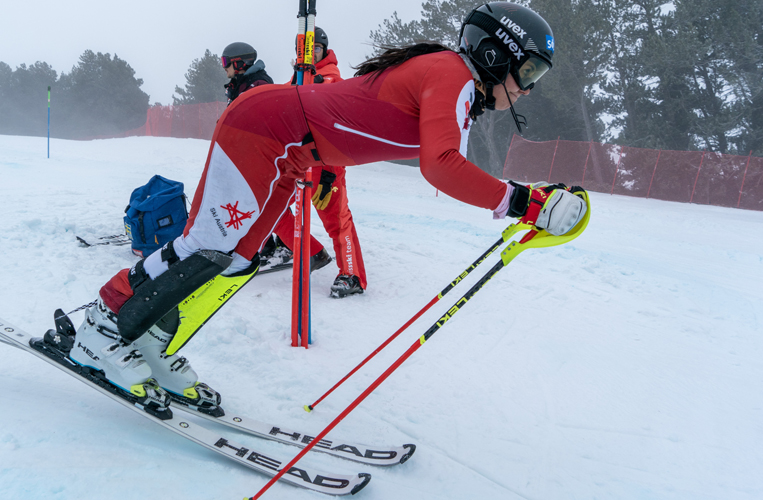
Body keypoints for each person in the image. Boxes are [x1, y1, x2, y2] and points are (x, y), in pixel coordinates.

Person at [40, 2, 587, 414]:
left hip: (294, 150)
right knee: (204, 244)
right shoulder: (453, 73)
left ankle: (149, 337)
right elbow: (441, 166)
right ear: (495, 55)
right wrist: (525, 202)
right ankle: (102, 325)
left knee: (236, 257)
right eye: (530, 73)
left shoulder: (453, 80)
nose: (529, 89)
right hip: (267, 128)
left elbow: (439, 157)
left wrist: (531, 196)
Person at [271, 26, 368, 298]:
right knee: (273, 207)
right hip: (299, 163)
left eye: (315, 49)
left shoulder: (330, 77)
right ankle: (311, 252)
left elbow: (327, 107)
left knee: (337, 220)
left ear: (323, 50)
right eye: (305, 50)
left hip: (326, 165)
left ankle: (352, 275)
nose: (310, 54)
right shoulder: (297, 78)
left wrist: (328, 173)